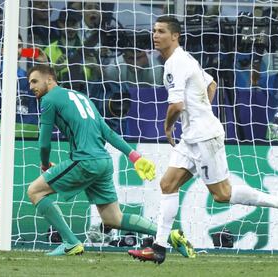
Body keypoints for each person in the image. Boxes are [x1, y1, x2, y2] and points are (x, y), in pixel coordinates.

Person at [128, 16, 278, 264]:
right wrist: (201, 113)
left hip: (203, 138)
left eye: (161, 31)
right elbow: (211, 83)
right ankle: (158, 247)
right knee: (168, 184)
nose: (155, 35)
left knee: (222, 194)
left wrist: (168, 128)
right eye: (154, 31)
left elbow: (177, 105)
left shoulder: (175, 63)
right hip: (192, 137)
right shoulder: (185, 59)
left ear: (175, 36)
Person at [26, 64, 193, 256]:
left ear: (49, 79)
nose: (31, 87)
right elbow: (108, 132)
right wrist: (134, 156)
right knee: (113, 218)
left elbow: (44, 143)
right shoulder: (82, 98)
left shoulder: (48, 100)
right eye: (30, 83)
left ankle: (70, 242)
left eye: (35, 81)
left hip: (85, 161)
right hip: (103, 162)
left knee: (35, 191)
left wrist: (45, 164)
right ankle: (167, 235)